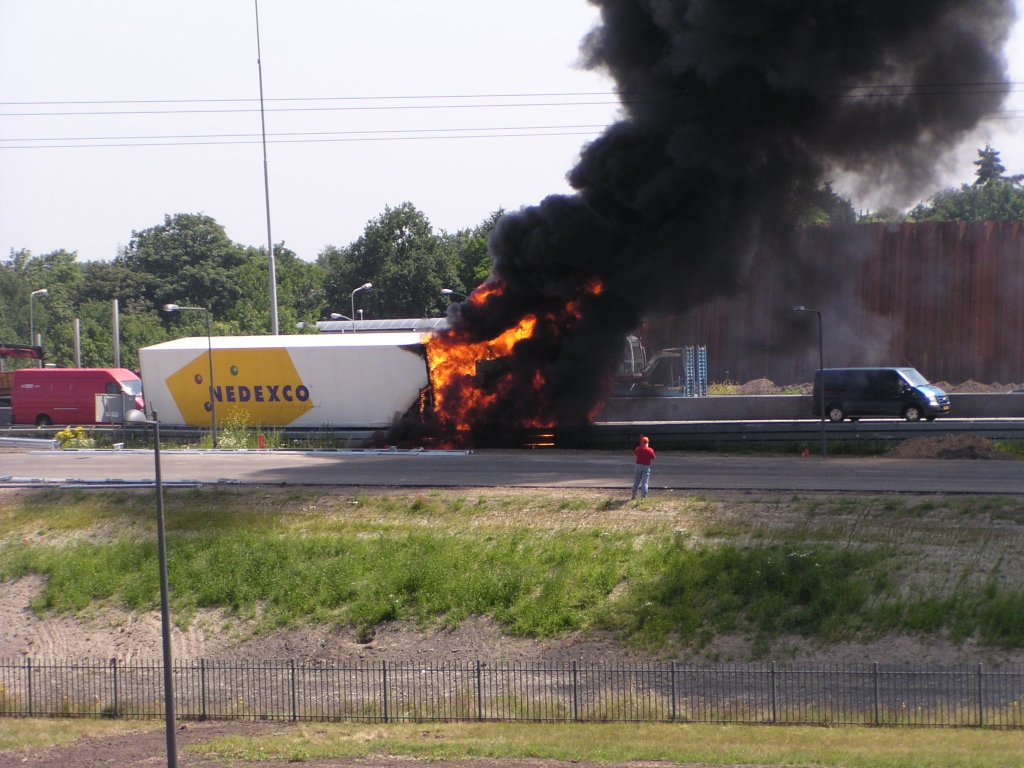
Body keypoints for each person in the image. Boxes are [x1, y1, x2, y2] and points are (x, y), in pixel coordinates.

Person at [631, 435, 656, 500]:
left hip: (638, 466)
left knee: (636, 481)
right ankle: (643, 496)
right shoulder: (650, 450)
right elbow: (653, 457)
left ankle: (633, 495)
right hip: (646, 467)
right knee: (644, 482)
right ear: (647, 442)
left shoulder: (638, 448)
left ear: (642, 442)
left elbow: (635, 454)